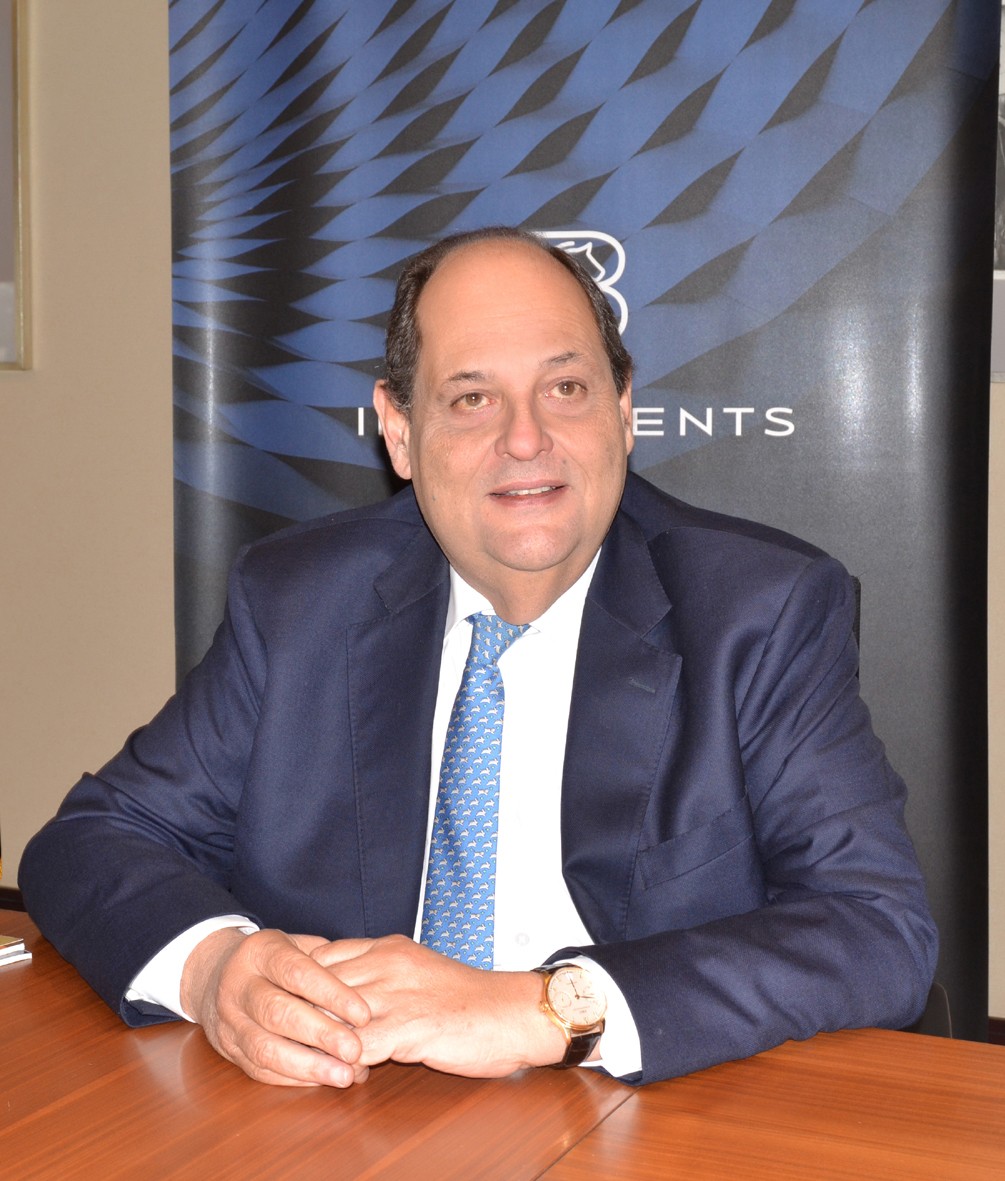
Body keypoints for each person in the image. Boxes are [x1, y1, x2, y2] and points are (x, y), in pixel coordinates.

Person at [19, 226, 937, 1089]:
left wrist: (545, 1009)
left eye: (565, 388)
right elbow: (90, 841)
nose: (525, 438)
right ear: (399, 431)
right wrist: (216, 966)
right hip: (353, 1111)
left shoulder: (756, 612)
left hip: (646, 1118)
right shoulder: (301, 602)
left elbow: (874, 927)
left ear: (622, 410)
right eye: (470, 398)